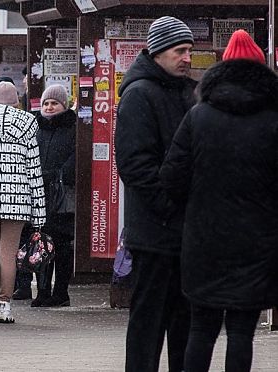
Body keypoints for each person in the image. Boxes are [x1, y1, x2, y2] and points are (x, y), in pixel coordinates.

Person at [160, 29, 278, 372]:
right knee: (242, 330)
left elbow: (171, 176)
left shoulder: (199, 116)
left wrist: (195, 204)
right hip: (258, 241)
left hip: (203, 239)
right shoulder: (273, 120)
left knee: (202, 328)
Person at [114, 16, 196, 372]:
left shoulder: (185, 92)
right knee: (148, 324)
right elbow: (134, 167)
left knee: (184, 324)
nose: (187, 58)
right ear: (158, 52)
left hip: (183, 234)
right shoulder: (138, 95)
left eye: (190, 50)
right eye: (180, 50)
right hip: (153, 234)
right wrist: (169, 208)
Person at [0, 81, 46, 324]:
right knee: (9, 252)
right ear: (16, 101)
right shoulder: (29, 124)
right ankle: (4, 306)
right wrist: (39, 214)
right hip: (18, 200)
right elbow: (34, 170)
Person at [31, 84, 75, 308]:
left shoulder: (73, 128)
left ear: (64, 106)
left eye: (54, 103)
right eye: (46, 103)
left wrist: (58, 175)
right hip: (39, 195)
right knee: (41, 245)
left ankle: (61, 292)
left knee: (62, 245)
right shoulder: (36, 128)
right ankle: (43, 291)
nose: (49, 107)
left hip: (61, 195)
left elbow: (76, 158)